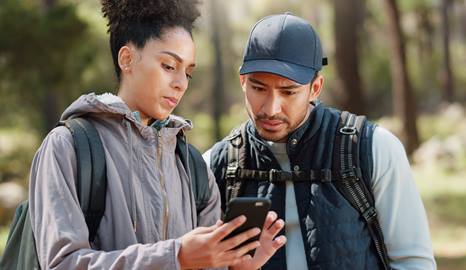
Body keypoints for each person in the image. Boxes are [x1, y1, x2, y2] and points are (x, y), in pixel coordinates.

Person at [29, 1, 286, 269]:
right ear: (127, 59)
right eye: (168, 66)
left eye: (188, 72)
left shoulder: (192, 164)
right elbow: (62, 264)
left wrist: (238, 266)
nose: (181, 83)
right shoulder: (68, 147)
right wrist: (175, 256)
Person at [204, 13, 436, 270]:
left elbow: (413, 263)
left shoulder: (374, 148)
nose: (271, 108)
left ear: (315, 88)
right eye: (258, 88)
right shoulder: (215, 164)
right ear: (243, 82)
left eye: (288, 92)